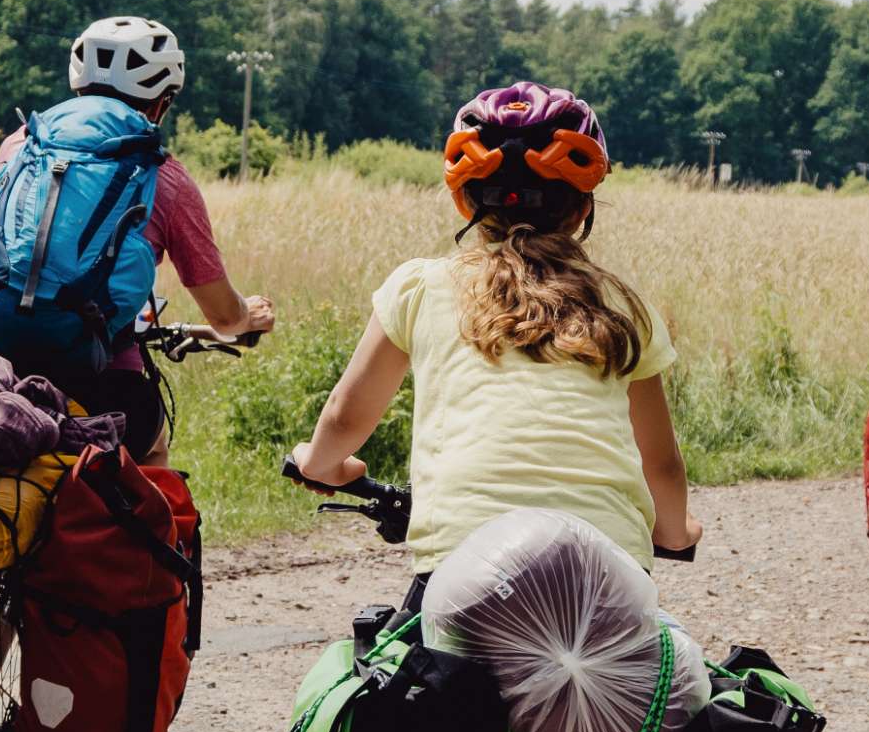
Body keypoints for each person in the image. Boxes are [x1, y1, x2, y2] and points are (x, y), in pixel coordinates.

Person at [285, 81, 699, 606]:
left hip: (465, 566)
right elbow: (660, 464)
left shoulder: (421, 287)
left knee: (383, 657)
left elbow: (346, 418)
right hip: (608, 568)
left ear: (465, 200)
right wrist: (674, 532)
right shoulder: (622, 307)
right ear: (582, 207)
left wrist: (320, 464)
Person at [0, 15, 276, 462]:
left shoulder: (22, 145)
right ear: (161, 104)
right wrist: (248, 316)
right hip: (97, 380)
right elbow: (223, 316)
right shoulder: (165, 178)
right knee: (153, 451)